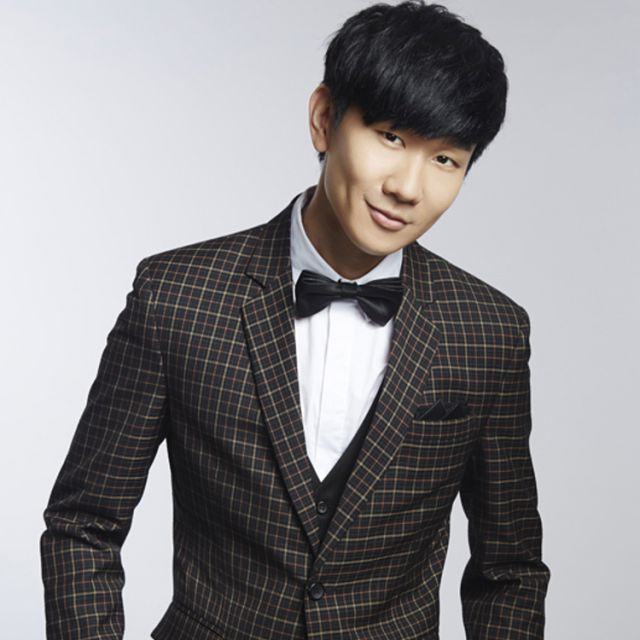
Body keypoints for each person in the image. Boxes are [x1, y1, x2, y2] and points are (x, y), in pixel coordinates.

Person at [40, 2, 551, 638]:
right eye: (391, 137)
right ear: (323, 119)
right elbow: (83, 524)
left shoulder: (490, 331)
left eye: (445, 159)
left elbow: (509, 568)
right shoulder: (175, 296)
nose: (408, 187)